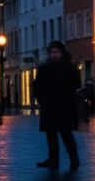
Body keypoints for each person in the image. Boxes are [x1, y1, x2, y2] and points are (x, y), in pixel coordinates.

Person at [33, 40, 81, 171]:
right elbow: (37, 86)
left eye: (57, 52)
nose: (54, 55)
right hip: (49, 106)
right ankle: (53, 160)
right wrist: (41, 99)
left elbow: (76, 84)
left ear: (62, 53)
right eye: (52, 52)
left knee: (66, 134)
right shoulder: (44, 68)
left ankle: (74, 160)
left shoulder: (69, 68)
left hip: (65, 106)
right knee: (51, 135)